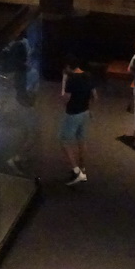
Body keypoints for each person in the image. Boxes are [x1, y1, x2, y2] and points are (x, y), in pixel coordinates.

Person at [59, 54, 95, 186]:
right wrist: (89, 108)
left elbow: (66, 98)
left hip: (72, 113)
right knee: (81, 140)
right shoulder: (88, 76)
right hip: (85, 112)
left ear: (68, 67)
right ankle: (83, 168)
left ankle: (76, 172)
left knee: (64, 141)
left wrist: (62, 100)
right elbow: (95, 96)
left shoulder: (72, 79)